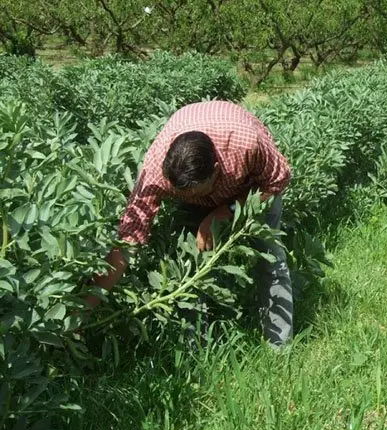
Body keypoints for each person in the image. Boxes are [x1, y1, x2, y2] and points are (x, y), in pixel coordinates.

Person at [86, 100, 294, 347]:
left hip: (252, 186)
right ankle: (196, 346)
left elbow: (277, 181)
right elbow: (128, 240)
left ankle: (279, 345)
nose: (193, 200)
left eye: (197, 193)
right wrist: (87, 304)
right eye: (185, 194)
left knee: (268, 256)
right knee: (188, 263)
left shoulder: (247, 143)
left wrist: (222, 211)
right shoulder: (156, 170)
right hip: (198, 161)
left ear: (216, 171)